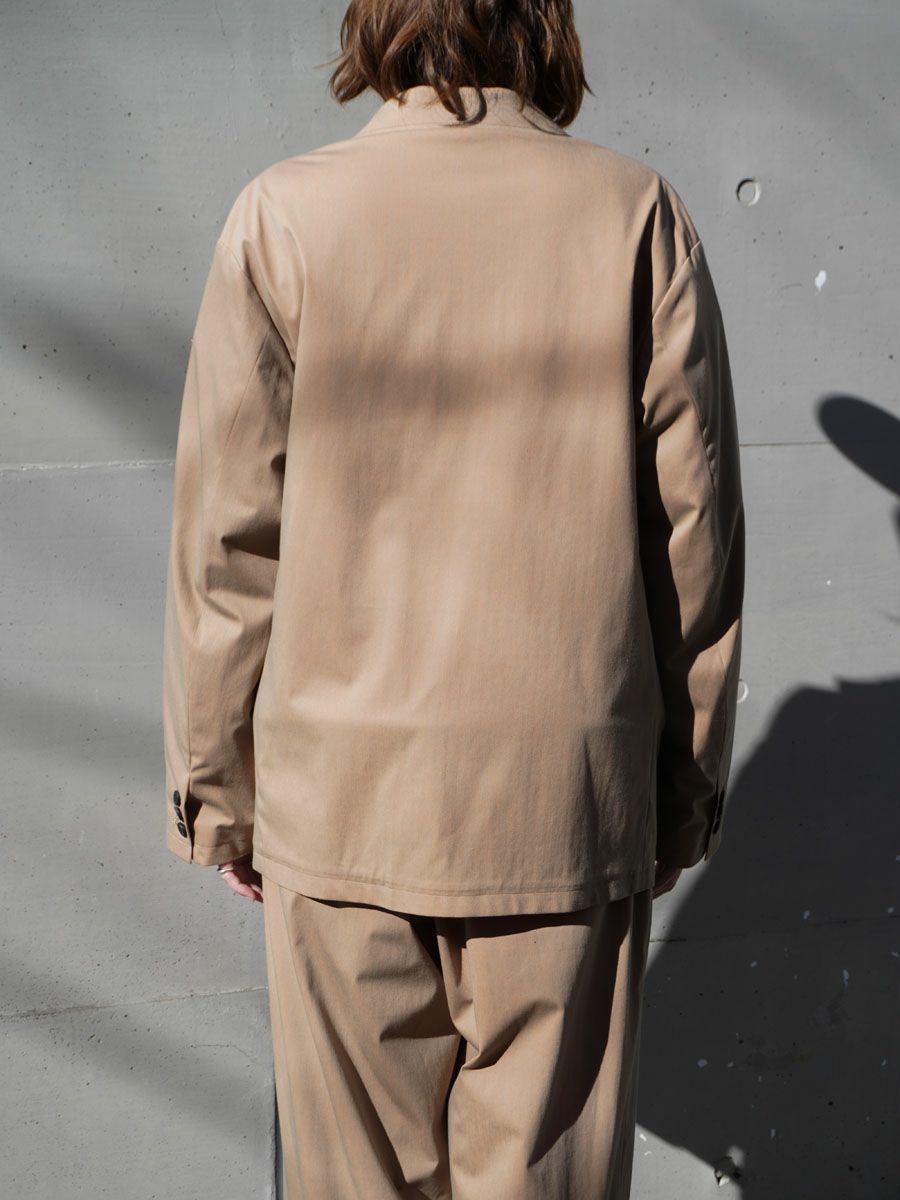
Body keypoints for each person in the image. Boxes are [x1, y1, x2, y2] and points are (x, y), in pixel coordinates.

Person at [162, 1, 745, 1195]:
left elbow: (229, 539)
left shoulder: (285, 215)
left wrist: (217, 792)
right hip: (563, 799)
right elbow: (694, 538)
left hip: (344, 803)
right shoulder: (635, 214)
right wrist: (680, 801)